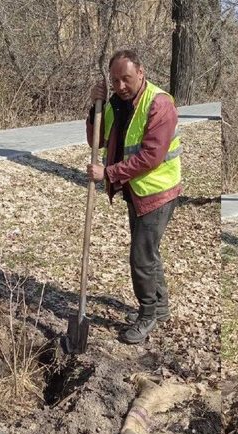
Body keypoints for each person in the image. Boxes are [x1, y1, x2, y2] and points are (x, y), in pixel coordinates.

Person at [86, 49, 182, 344]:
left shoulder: (159, 104)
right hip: (136, 190)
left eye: (126, 79)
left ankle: (148, 315)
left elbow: (151, 157)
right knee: (148, 252)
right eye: (115, 81)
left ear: (141, 72)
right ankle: (160, 307)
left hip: (157, 191)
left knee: (140, 257)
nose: (120, 86)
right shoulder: (116, 102)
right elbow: (97, 139)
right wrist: (94, 108)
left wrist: (109, 174)